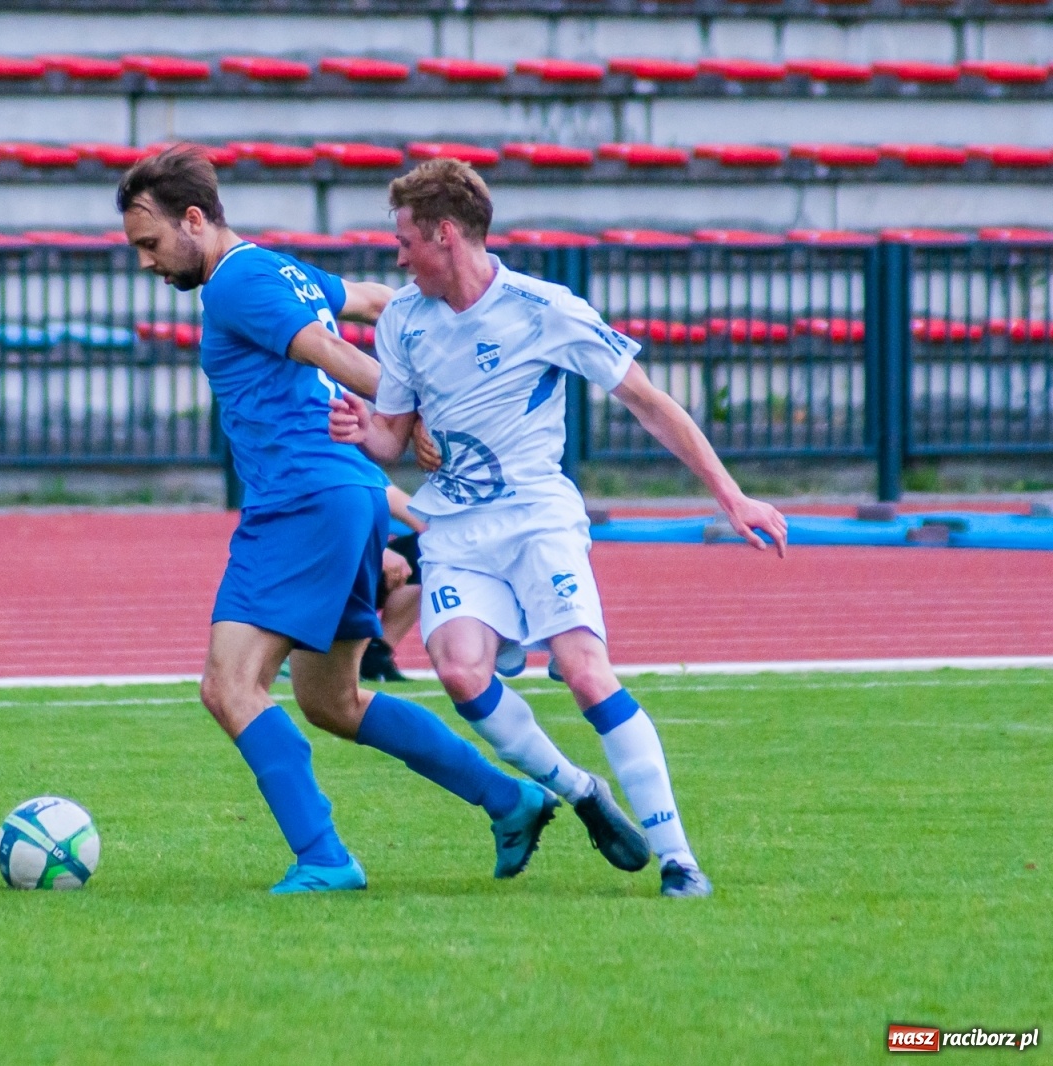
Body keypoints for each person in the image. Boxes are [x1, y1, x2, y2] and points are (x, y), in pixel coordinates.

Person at [330, 159, 790, 898]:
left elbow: (646, 399)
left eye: (405, 239)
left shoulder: (544, 309)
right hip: (456, 528)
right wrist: (363, 433)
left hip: (538, 518)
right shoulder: (403, 321)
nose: (397, 254)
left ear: (445, 234)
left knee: (583, 671)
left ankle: (679, 860)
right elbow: (392, 438)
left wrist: (731, 497)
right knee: (458, 671)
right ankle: (580, 793)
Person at [118, 146, 557, 894]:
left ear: (194, 220)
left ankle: (323, 857)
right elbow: (386, 302)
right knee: (332, 700)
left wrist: (415, 405)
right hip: (348, 495)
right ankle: (508, 797)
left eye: (150, 243)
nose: (146, 263)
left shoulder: (235, 283)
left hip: (301, 499)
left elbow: (326, 346)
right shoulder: (279, 269)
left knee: (230, 686)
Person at [360, 484, 427, 683]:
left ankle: (375, 654)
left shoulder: (353, 466)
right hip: (297, 579)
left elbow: (425, 521)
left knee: (430, 548)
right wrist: (375, 550)